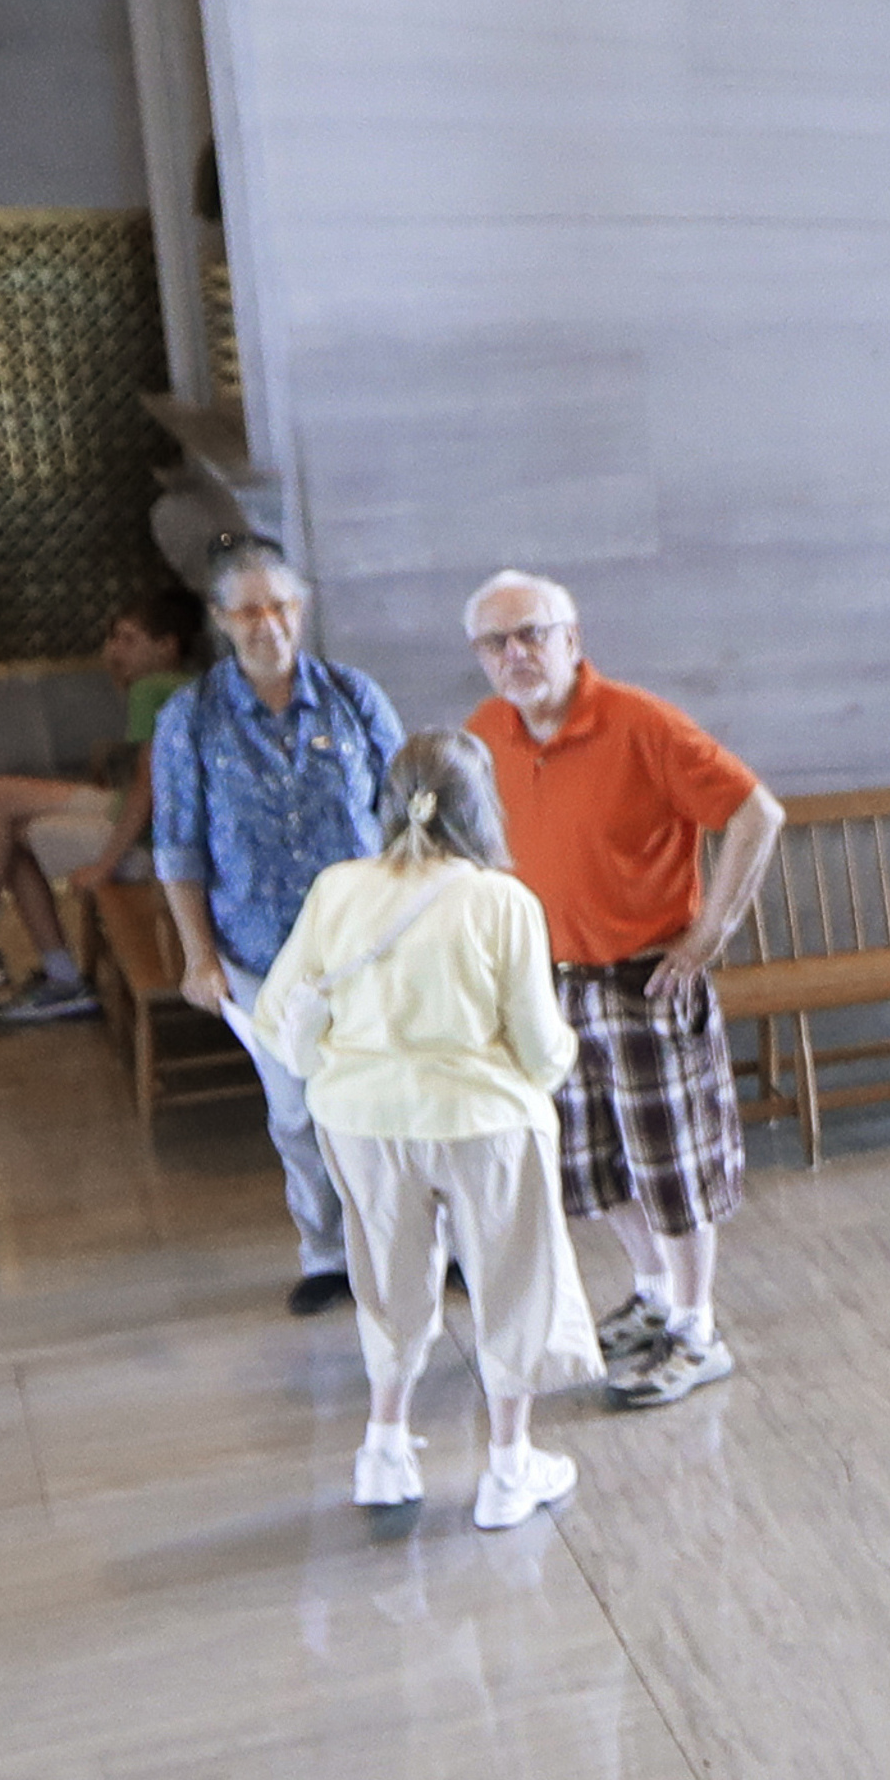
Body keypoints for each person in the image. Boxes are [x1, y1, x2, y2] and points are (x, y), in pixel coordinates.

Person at [253, 728, 592, 1530]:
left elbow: (277, 1012)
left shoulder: (338, 887)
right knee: (510, 1278)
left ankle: (384, 1450)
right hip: (482, 1120)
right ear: (482, 808)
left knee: (385, 1275)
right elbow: (541, 1047)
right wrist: (562, 1057)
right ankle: (509, 1468)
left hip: (362, 1119)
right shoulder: (502, 899)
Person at [460, 570, 781, 1408]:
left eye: (532, 632)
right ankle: (651, 1294)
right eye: (497, 642)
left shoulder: (640, 723)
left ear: (572, 638)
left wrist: (711, 930)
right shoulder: (483, 734)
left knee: (669, 1165)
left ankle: (695, 1330)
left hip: (645, 980)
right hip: (545, 987)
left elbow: (757, 813)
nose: (516, 653)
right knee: (590, 1167)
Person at [147, 537, 401, 1315]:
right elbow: (179, 845)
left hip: (366, 946)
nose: (269, 623)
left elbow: (405, 815)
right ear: (222, 619)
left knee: (392, 1103)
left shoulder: (356, 696)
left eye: (282, 605)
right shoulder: (190, 717)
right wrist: (199, 958)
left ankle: (427, 1244)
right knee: (297, 1110)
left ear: (304, 608)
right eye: (250, 609)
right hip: (258, 952)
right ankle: (326, 1252)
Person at [0, 576, 205, 1024]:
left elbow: (148, 787)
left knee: (10, 835)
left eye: (128, 639)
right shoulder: (180, 683)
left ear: (166, 646)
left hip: (146, 844)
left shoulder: (152, 691)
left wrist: (103, 865)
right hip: (134, 815)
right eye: (113, 637)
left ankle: (42, 973)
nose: (114, 650)